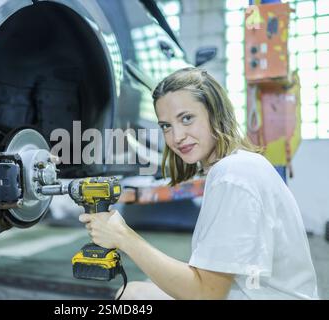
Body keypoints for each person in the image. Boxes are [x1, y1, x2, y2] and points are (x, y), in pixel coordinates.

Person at [79, 67, 319, 300]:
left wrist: (123, 236)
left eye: (187, 118)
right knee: (145, 287)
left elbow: (206, 295)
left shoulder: (232, 175)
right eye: (166, 126)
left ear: (215, 113)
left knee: (132, 295)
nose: (177, 137)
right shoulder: (240, 164)